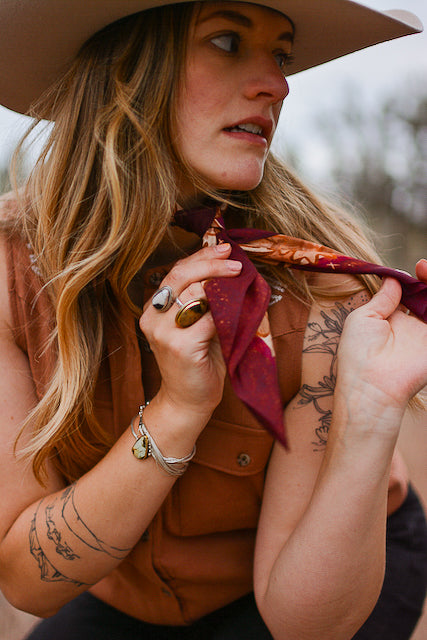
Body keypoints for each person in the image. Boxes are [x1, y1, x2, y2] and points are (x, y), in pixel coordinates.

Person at [0, 1, 426, 638]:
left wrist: (370, 407)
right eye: (227, 41)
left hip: (325, 570)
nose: (279, 84)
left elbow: (303, 622)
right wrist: (177, 411)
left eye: (281, 55)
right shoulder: (12, 269)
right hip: (129, 595)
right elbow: (26, 580)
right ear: (124, 72)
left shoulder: (320, 287)